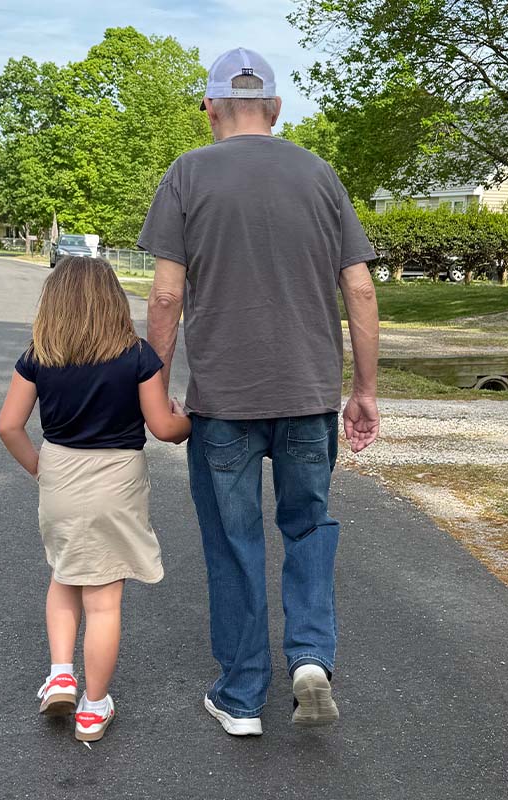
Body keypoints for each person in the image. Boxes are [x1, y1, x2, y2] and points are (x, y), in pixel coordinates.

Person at [139, 48, 380, 736]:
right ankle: (309, 656)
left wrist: (156, 391)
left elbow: (164, 294)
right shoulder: (319, 175)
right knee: (308, 526)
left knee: (233, 540)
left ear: (210, 105)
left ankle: (243, 695)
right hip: (307, 396)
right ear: (276, 107)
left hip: (224, 405)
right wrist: (363, 389)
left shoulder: (186, 174)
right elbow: (359, 287)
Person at [0, 256, 191, 742]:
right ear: (112, 302)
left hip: (60, 472)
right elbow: (164, 428)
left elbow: (8, 425)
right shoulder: (138, 355)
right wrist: (189, 418)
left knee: (65, 573)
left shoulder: (38, 354)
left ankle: (61, 674)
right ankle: (93, 707)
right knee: (103, 599)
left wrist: (42, 470)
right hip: (117, 479)